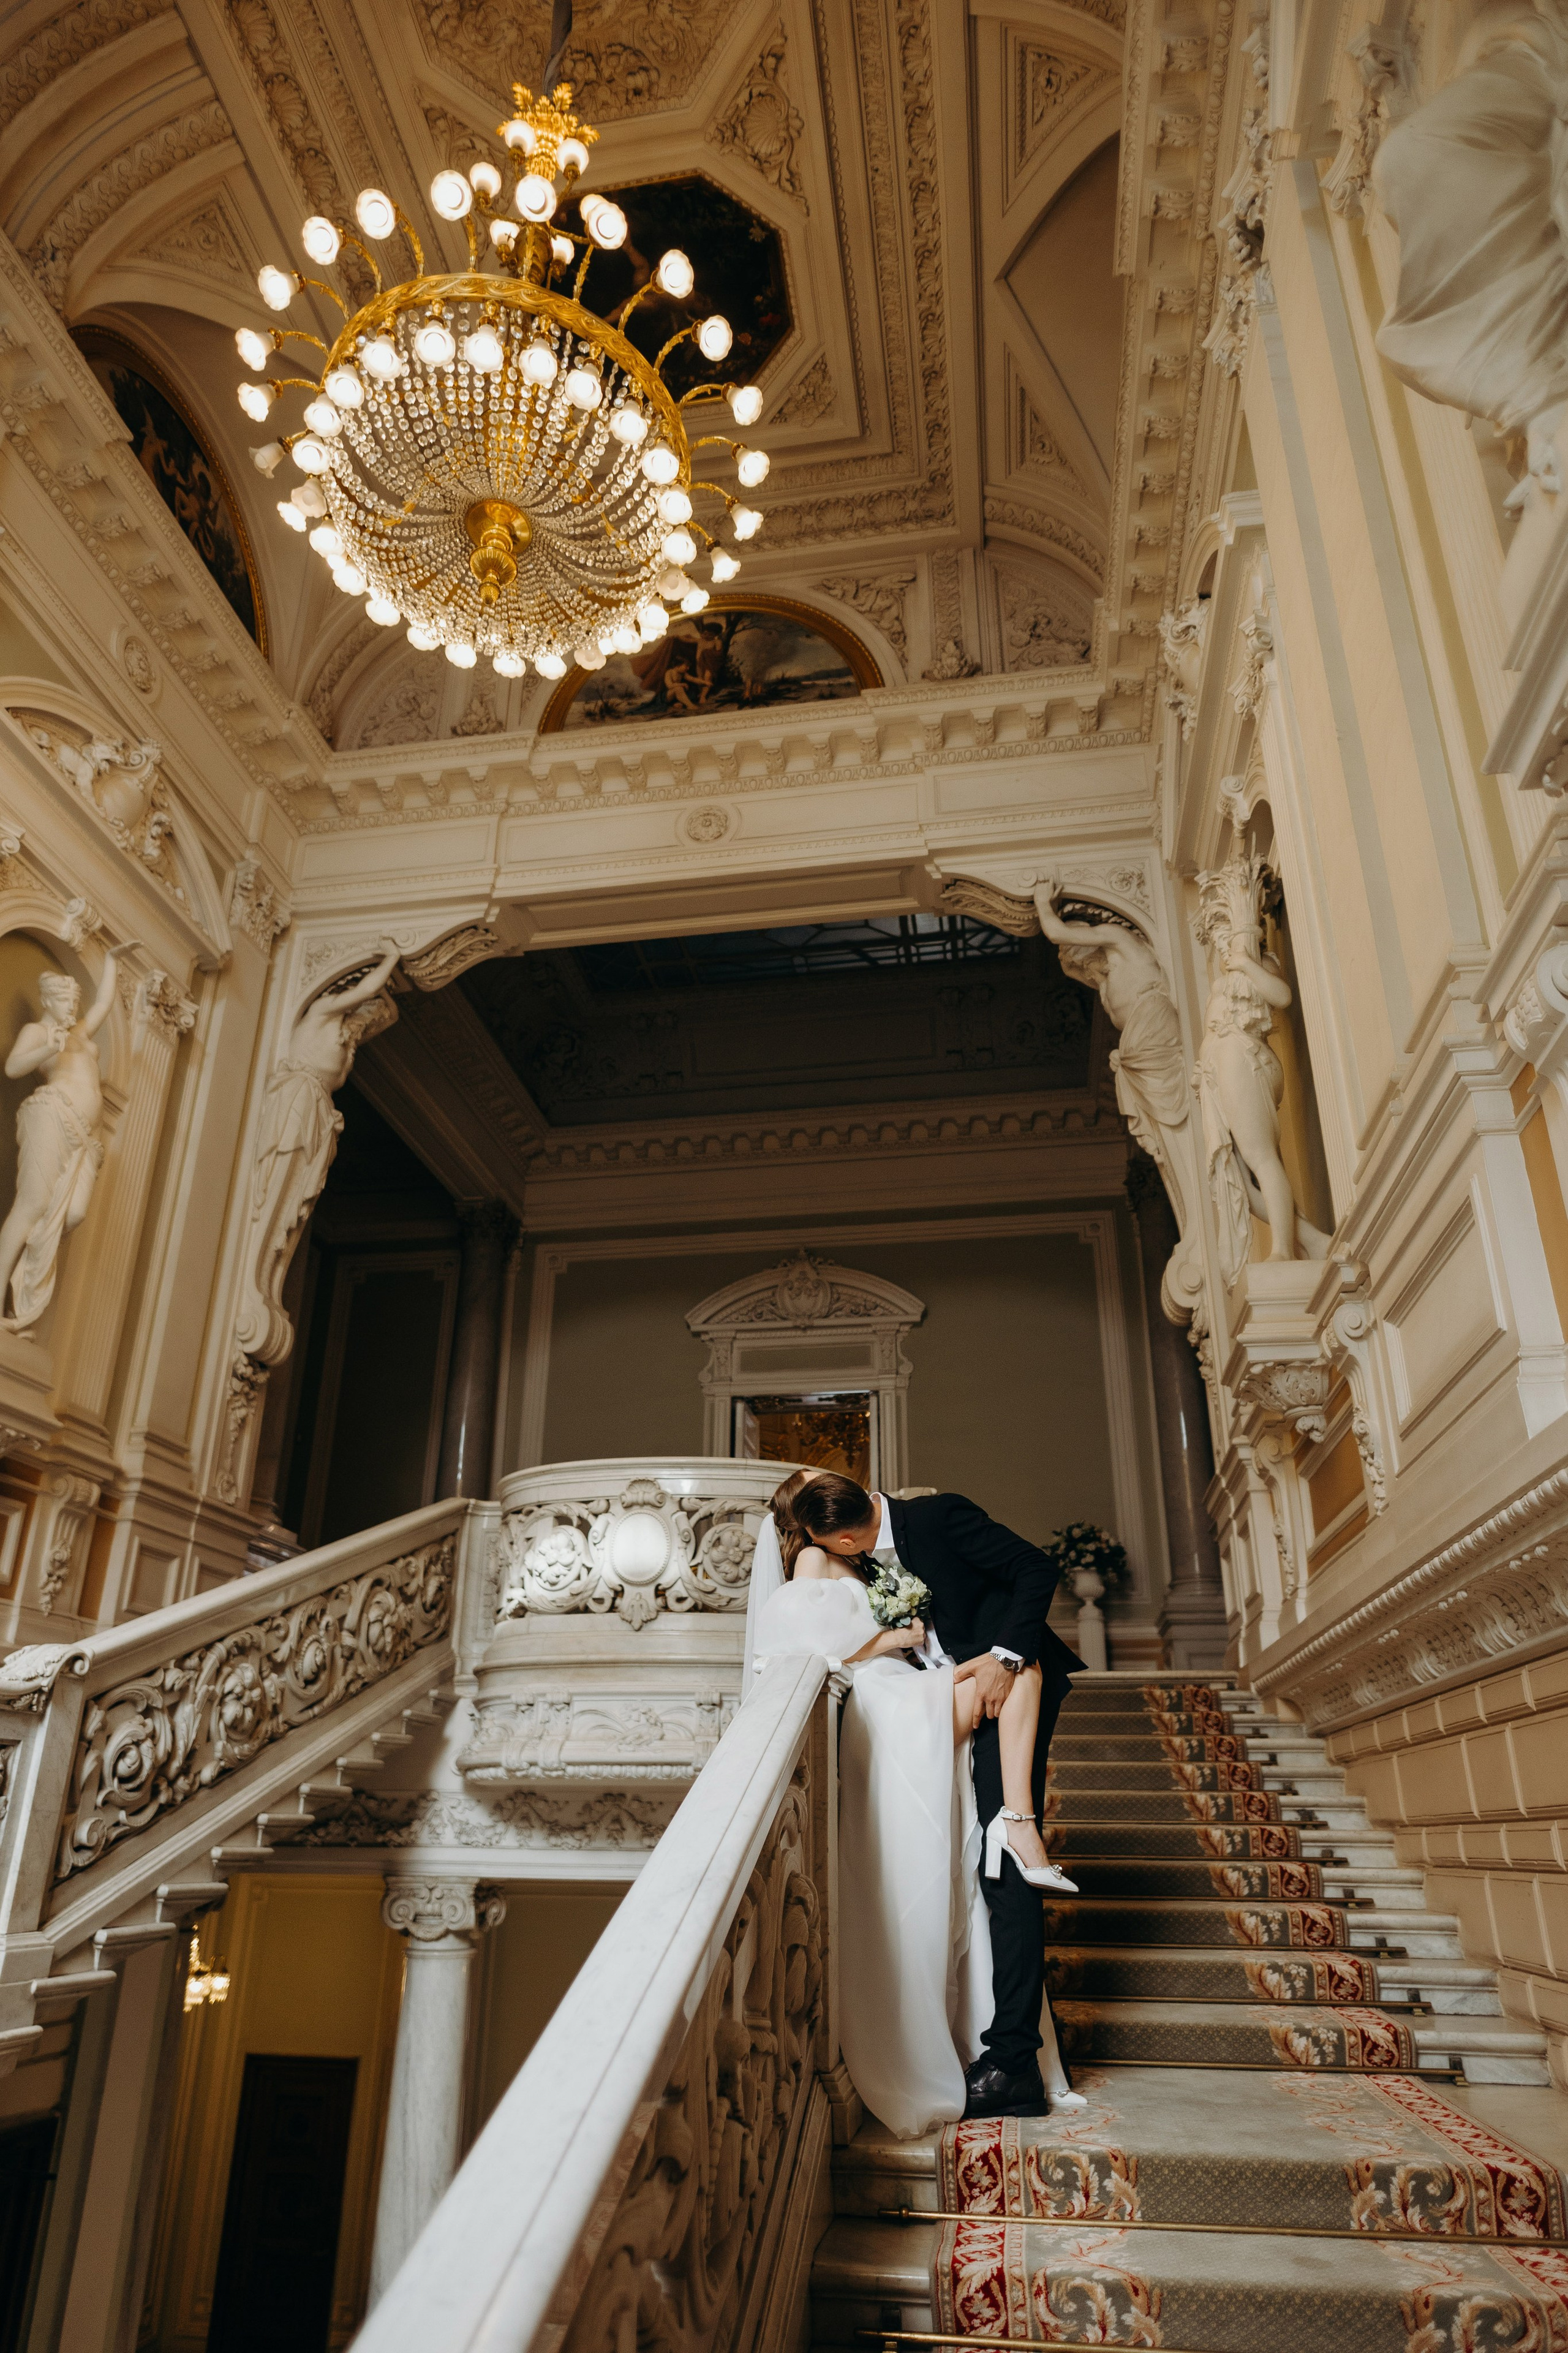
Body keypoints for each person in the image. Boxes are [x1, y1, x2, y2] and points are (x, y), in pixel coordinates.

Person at [747, 1469, 1085, 2133]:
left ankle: (1013, 2056)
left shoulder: (934, 1519)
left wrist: (1006, 1654)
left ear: (843, 1527)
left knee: (1003, 1864)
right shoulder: (852, 1558)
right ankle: (1000, 2047)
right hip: (926, 1692)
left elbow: (1033, 1569)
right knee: (973, 1868)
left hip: (1000, 1680)